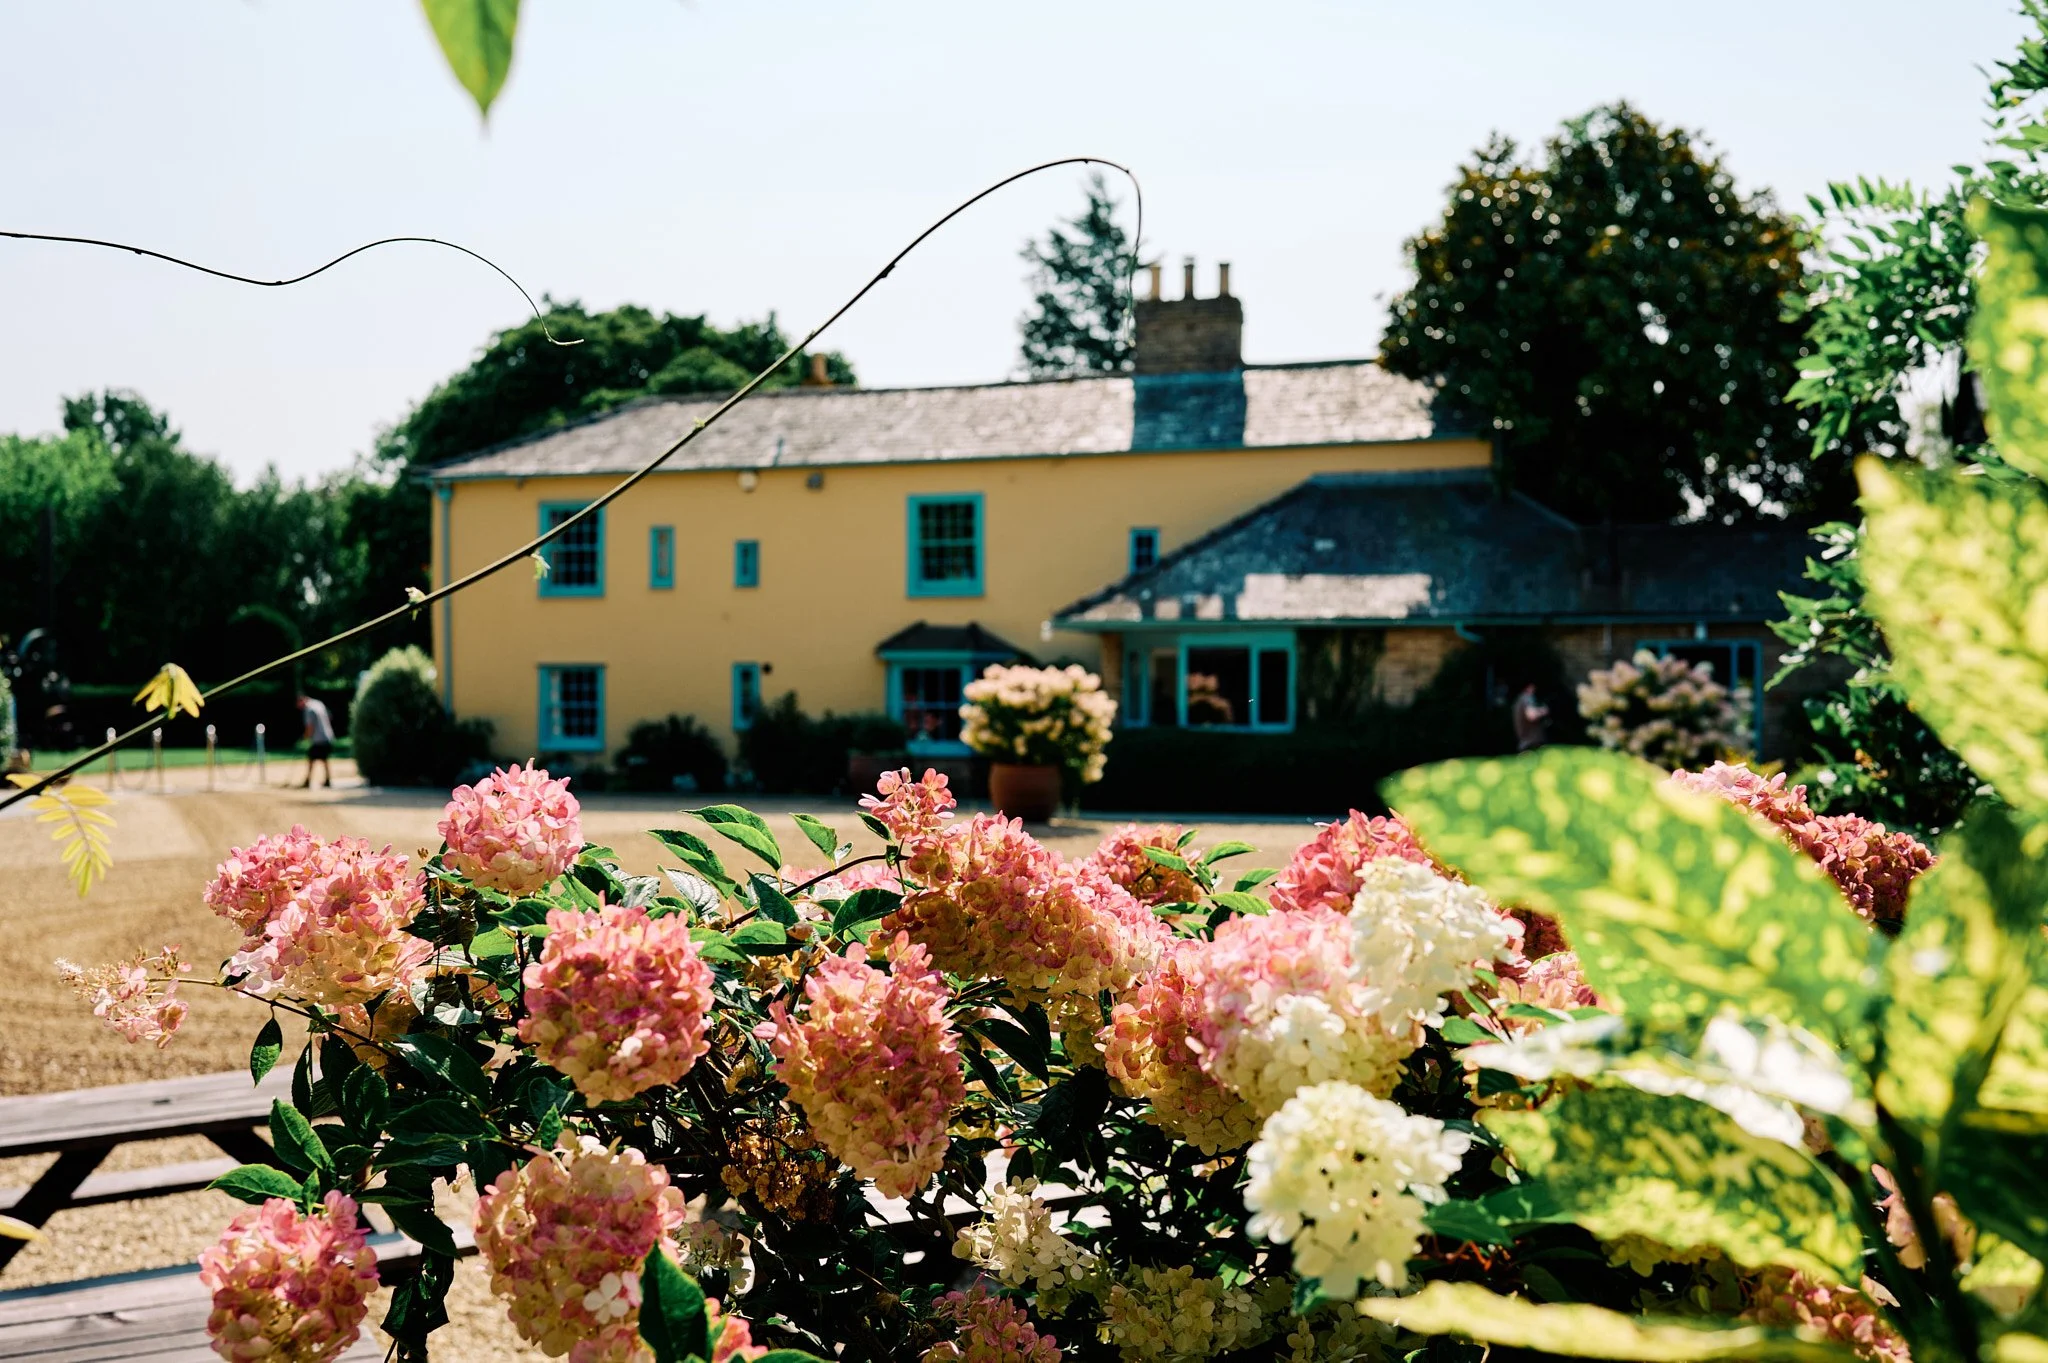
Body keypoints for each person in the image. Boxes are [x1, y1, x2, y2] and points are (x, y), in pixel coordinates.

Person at [297, 692, 335, 788]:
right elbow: (329, 717)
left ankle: (308, 781)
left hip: (319, 739)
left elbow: (310, 727)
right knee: (324, 759)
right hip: (327, 736)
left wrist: (304, 737)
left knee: (311, 759)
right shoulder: (319, 703)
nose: (300, 707)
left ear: (302, 700)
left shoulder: (309, 709)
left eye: (299, 704)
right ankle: (327, 779)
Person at [1512, 681, 1551, 752]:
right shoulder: (1527, 698)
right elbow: (1532, 716)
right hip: (1531, 745)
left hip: (1526, 744)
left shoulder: (1519, 699)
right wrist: (1543, 710)